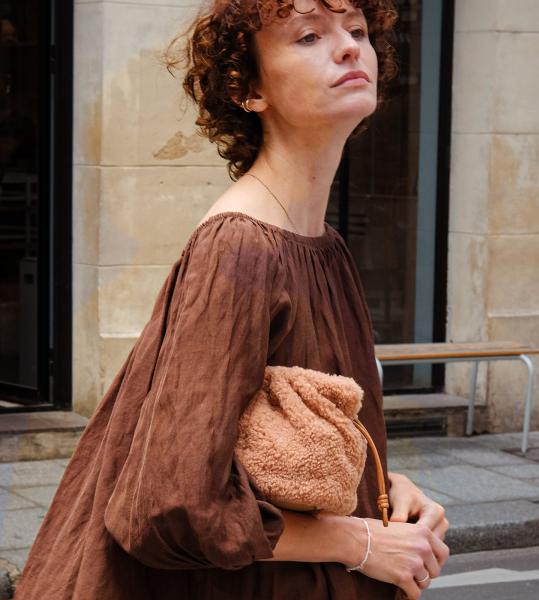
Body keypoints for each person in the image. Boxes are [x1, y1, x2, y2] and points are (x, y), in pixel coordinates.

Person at [13, 0, 449, 599]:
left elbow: (291, 444)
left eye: (357, 30)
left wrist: (383, 490)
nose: (351, 47)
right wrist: (360, 542)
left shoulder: (325, 248)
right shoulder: (239, 248)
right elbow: (170, 502)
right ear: (250, 89)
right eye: (309, 36)